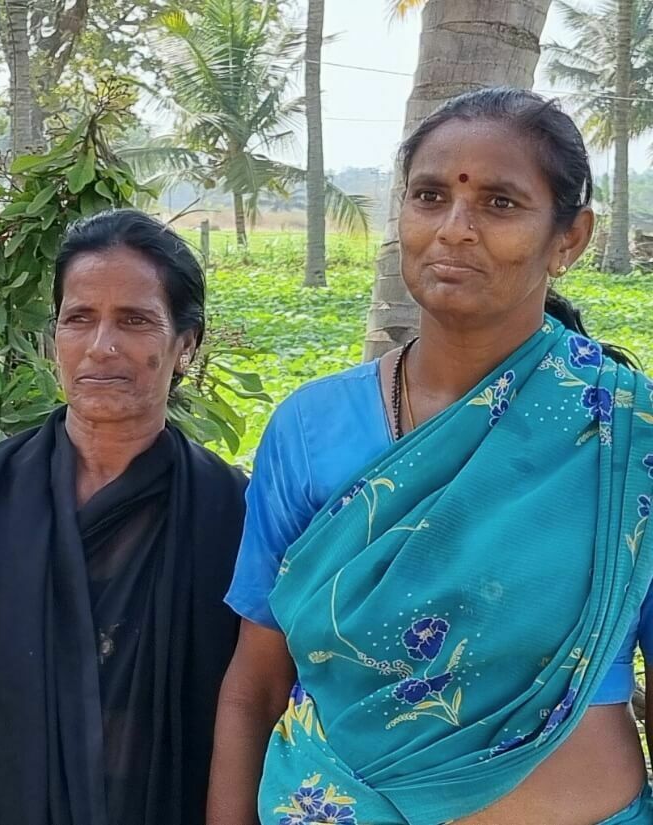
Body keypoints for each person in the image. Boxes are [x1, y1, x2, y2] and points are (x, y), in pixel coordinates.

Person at [209, 87, 653, 825]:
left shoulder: (623, 437)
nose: (455, 228)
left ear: (570, 238)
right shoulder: (311, 427)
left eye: (500, 204)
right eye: (429, 195)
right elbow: (254, 682)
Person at [0, 209, 246, 825]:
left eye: (136, 321)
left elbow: (252, 704)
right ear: (53, 340)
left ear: (186, 345)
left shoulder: (233, 515)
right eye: (80, 319)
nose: (102, 346)